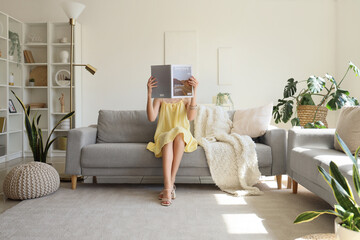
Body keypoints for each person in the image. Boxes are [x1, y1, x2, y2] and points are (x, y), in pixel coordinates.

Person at [146, 75, 199, 206]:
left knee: (179, 135)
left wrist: (194, 92)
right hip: (164, 136)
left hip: (182, 135)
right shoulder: (160, 98)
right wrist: (149, 94)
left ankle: (168, 186)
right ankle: (169, 186)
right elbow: (152, 118)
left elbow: (191, 117)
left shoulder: (186, 99)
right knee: (169, 138)